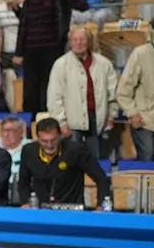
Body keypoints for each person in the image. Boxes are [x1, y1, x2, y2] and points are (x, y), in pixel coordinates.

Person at [47, 27, 118, 162]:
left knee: (96, 161)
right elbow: (54, 97)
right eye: (75, 40)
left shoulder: (104, 64)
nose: (79, 43)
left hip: (98, 121)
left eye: (82, 40)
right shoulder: (60, 65)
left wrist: (111, 116)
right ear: (70, 43)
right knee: (72, 162)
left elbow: (112, 93)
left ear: (89, 42)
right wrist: (61, 123)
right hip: (71, 124)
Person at [18, 117, 110, 207]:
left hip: (71, 210)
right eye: (44, 141)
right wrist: (25, 202)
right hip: (39, 209)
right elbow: (23, 182)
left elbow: (101, 179)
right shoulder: (28, 151)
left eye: (53, 140)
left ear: (60, 135)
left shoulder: (76, 151)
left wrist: (100, 206)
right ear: (37, 138)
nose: (49, 145)